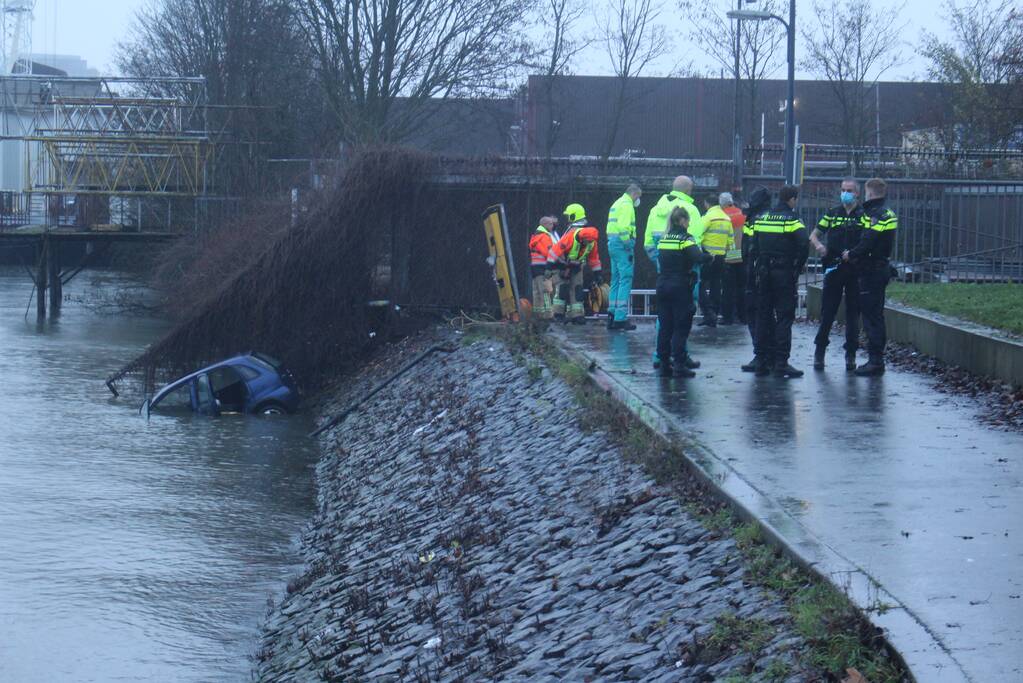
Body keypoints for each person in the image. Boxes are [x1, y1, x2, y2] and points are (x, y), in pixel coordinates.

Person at [643, 176, 704, 369]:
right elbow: (695, 242)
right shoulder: (690, 210)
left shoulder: (656, 208)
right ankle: (680, 356)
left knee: (665, 315)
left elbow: (647, 244)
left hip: (664, 268)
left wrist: (662, 264)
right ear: (689, 190)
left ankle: (660, 356)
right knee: (683, 315)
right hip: (684, 271)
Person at [751, 185, 808, 378]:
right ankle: (781, 362)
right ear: (792, 199)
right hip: (783, 273)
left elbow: (754, 243)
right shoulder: (792, 219)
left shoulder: (763, 218)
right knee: (784, 317)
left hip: (764, 272)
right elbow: (804, 244)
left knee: (763, 315)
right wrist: (796, 268)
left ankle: (760, 360)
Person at [843, 178, 898, 376]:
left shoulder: (877, 215)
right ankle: (876, 358)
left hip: (871, 270)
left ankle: (875, 361)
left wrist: (851, 254)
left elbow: (868, 240)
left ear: (871, 193)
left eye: (866, 193)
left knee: (871, 317)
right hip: (880, 267)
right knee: (876, 315)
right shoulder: (887, 213)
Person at [810, 178, 866, 371]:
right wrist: (819, 246)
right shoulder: (833, 214)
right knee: (828, 311)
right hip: (833, 267)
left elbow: (869, 239)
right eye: (843, 190)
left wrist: (856, 253)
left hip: (855, 268)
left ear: (857, 193)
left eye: (849, 190)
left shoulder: (863, 215)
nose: (845, 193)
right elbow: (814, 234)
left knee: (853, 313)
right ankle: (819, 352)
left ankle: (850, 354)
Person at [656, 206, 710, 377]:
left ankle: (665, 363)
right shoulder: (686, 239)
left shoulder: (664, 239)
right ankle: (679, 365)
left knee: (665, 326)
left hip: (663, 285)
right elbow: (698, 258)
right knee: (681, 326)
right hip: (679, 286)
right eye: (687, 220)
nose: (689, 223)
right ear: (682, 221)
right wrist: (710, 257)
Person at [550, 203, 603, 324]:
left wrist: (551, 264)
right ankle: (572, 315)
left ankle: (564, 315)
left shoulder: (573, 232)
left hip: (571, 265)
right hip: (568, 266)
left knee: (567, 290)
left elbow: (593, 257)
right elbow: (594, 258)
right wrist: (597, 273)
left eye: (569, 216)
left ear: (573, 216)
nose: (567, 219)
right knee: (572, 290)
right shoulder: (588, 235)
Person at [739, 187, 772, 372]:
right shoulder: (771, 216)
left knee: (754, 313)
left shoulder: (753, 219)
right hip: (768, 271)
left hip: (754, 272)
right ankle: (769, 354)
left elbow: (748, 247)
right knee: (766, 314)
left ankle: (761, 355)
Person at [606, 184, 642, 331]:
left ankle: (612, 314)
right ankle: (620, 318)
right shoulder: (627, 205)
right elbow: (622, 227)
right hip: (622, 246)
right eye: (638, 197)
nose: (638, 200)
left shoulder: (617, 203)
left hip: (612, 245)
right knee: (625, 279)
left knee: (615, 280)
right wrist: (628, 244)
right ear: (634, 194)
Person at [698, 195, 734, 327]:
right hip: (721, 257)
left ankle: (708, 313)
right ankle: (714, 311)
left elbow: (698, 235)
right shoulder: (726, 218)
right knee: (716, 285)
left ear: (707, 204)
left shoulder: (707, 217)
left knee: (700, 285)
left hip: (707, 256)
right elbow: (730, 240)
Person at [719, 192, 746, 326]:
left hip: (729, 254)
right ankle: (742, 316)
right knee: (742, 287)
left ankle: (727, 317)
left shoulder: (723, 216)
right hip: (742, 254)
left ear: (722, 204)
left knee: (728, 289)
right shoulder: (742, 214)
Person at [528, 216, 558, 320]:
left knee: (536, 292)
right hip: (543, 268)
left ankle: (538, 315)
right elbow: (549, 253)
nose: (552, 225)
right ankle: (548, 315)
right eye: (550, 223)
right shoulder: (545, 237)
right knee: (546, 292)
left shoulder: (535, 236)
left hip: (535, 268)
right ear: (544, 225)